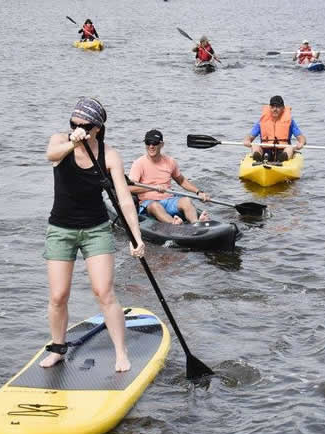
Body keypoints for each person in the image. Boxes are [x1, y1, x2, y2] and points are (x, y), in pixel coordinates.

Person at [42, 97, 145, 372]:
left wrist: (137, 237)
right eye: (73, 123)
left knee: (104, 292)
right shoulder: (59, 142)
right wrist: (73, 142)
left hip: (96, 229)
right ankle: (57, 349)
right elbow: (50, 156)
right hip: (61, 229)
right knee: (58, 295)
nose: (77, 128)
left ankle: (121, 353)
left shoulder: (109, 155)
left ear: (97, 128)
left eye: (84, 126)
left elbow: (123, 200)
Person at [128, 129, 210, 225]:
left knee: (186, 200)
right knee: (155, 206)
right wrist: (153, 188)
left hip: (169, 199)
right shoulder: (139, 164)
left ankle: (196, 223)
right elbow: (130, 188)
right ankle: (174, 223)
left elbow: (181, 180)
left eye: (155, 143)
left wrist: (198, 192)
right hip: (149, 203)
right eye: (148, 143)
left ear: (161, 144)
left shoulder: (170, 161)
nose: (151, 146)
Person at [243, 95, 306, 162]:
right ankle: (258, 158)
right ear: (270, 107)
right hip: (266, 151)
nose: (275, 109)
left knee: (290, 148)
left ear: (283, 108)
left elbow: (301, 137)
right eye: (273, 106)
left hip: (283, 150)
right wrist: (247, 140)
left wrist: (301, 143)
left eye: (278, 106)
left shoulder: (289, 122)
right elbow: (250, 136)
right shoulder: (262, 121)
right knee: (255, 146)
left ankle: (282, 160)